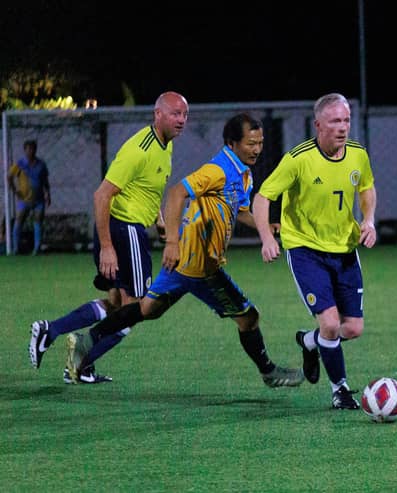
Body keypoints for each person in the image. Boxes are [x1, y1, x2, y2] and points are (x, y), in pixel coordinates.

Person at [34, 113, 304, 388]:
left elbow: (241, 210)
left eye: (260, 142)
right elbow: (176, 193)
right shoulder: (218, 170)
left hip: (183, 262)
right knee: (249, 318)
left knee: (147, 309)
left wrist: (265, 226)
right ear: (232, 143)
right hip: (200, 266)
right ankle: (269, 372)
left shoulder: (243, 174)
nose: (257, 149)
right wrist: (172, 242)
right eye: (251, 143)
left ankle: (86, 341)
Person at [29, 91, 189, 383]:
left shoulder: (165, 145)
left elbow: (145, 189)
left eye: (184, 114)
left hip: (125, 229)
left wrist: (160, 220)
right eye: (175, 114)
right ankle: (81, 357)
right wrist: (107, 247)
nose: (181, 120)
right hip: (124, 230)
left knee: (116, 303)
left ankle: (50, 332)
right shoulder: (139, 149)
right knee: (138, 308)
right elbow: (102, 195)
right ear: (158, 114)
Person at [252, 93, 377, 410]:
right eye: (335, 121)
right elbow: (263, 198)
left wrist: (369, 220)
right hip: (306, 250)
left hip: (345, 249)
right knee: (332, 325)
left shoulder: (357, 155)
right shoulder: (298, 159)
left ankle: (309, 341)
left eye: (346, 120)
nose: (343, 127)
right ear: (318, 124)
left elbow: (366, 188)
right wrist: (268, 236)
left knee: (353, 328)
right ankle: (341, 390)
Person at [8, 140, 51, 255]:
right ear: (25, 150)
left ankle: (37, 248)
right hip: (24, 199)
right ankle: (15, 248)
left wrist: (48, 194)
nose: (30, 151)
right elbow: (9, 176)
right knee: (19, 220)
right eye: (28, 149)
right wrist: (15, 191)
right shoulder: (20, 164)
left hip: (39, 199)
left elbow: (45, 181)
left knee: (38, 221)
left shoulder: (41, 164)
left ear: (35, 150)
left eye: (32, 149)